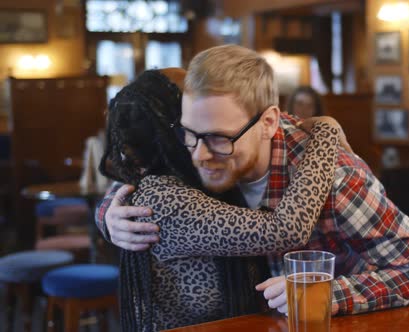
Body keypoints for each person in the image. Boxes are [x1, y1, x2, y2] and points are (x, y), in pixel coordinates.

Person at [99, 45, 409, 317]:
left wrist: (330, 292)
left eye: (220, 138)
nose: (199, 155)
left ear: (268, 123)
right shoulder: (195, 152)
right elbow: (145, 180)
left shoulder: (335, 175)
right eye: (189, 133)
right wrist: (107, 216)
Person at [98, 68, 347, 331]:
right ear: (175, 130)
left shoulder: (182, 172)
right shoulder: (165, 199)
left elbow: (248, 122)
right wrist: (324, 130)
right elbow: (287, 229)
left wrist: (104, 214)